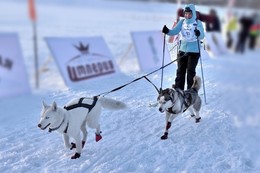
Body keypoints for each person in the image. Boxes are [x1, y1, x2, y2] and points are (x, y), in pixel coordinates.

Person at [162, 4, 205, 90]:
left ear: (193, 13)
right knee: (180, 72)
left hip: (194, 51)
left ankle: (190, 92)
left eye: (189, 13)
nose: (187, 15)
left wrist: (198, 33)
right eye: (186, 13)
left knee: (190, 72)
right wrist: (167, 31)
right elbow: (175, 31)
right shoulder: (182, 22)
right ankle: (179, 92)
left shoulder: (197, 23)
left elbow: (202, 35)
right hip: (182, 50)